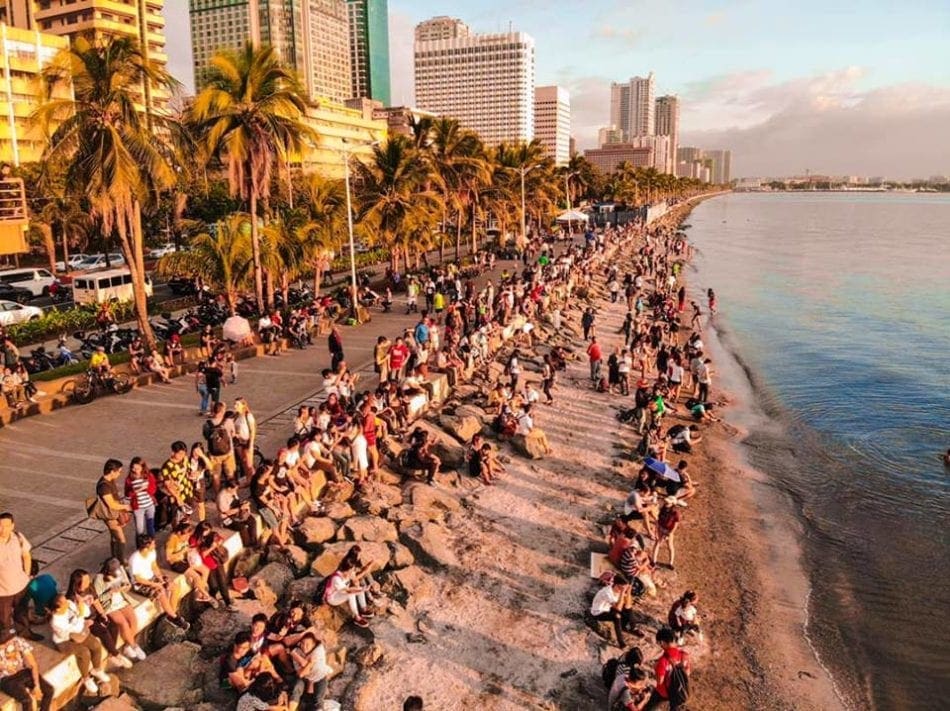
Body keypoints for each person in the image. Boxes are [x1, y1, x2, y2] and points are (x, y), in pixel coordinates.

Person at [64, 569, 133, 670]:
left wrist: (102, 613)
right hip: (86, 621)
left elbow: (96, 601)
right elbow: (76, 616)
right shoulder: (71, 598)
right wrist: (86, 621)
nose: (88, 583)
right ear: (77, 584)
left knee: (113, 626)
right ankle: (116, 654)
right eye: (85, 581)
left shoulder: (90, 587)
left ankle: (111, 654)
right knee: (103, 632)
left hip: (95, 615)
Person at [48, 593, 111, 695]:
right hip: (64, 640)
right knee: (84, 652)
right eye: (64, 603)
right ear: (58, 609)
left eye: (66, 600)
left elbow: (86, 613)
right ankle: (86, 678)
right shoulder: (56, 621)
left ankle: (97, 669)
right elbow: (71, 629)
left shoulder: (69, 604)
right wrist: (81, 616)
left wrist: (81, 605)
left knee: (96, 645)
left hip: (79, 633)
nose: (67, 603)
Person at [127, 536, 189, 630]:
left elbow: (154, 566)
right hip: (140, 584)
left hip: (152, 577)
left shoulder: (152, 552)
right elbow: (138, 579)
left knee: (174, 587)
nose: (155, 545)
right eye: (153, 544)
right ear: (146, 546)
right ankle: (175, 618)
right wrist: (155, 584)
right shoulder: (134, 559)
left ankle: (171, 613)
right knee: (161, 592)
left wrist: (160, 578)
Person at [92, 558, 145, 662]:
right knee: (123, 623)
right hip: (109, 604)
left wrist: (126, 587)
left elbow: (127, 584)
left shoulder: (120, 570)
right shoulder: (99, 579)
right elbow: (98, 598)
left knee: (133, 620)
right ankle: (134, 646)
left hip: (121, 599)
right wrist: (111, 592)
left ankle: (127, 646)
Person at [0, 513, 34, 639]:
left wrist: (27, 574)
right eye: (0, 526)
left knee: (21, 612)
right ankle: (7, 643)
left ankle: (25, 632)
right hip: (3, 591)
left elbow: (26, 555)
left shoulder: (18, 537)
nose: (3, 529)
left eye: (6, 526)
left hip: (20, 586)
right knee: (4, 620)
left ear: (12, 526)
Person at [645, 627, 691, 710]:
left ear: (662, 642)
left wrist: (656, 669)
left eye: (659, 643)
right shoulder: (684, 655)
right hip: (678, 692)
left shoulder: (663, 661)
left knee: (649, 708)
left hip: (663, 692)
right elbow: (687, 673)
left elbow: (660, 681)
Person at [96, 459, 132, 562]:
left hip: (114, 513)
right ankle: (120, 560)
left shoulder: (110, 481)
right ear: (112, 471)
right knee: (120, 538)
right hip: (110, 515)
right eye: (119, 471)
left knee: (114, 537)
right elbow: (111, 504)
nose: (120, 474)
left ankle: (114, 557)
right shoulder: (104, 486)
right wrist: (125, 507)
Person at [323, 556, 374, 628]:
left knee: (358, 586)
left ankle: (363, 609)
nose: (353, 571)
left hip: (340, 591)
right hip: (332, 597)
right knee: (351, 594)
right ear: (346, 569)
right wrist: (362, 589)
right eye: (351, 570)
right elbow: (347, 590)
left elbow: (355, 579)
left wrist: (360, 587)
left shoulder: (348, 573)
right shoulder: (336, 578)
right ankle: (357, 617)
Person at [0, 630, 43, 710]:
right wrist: (5, 667)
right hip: (5, 679)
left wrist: (37, 685)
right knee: (28, 700)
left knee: (31, 699)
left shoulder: (15, 642)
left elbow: (33, 664)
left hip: (18, 674)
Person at [290, 632, 332, 709]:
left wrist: (296, 657)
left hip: (320, 676)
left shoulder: (318, 650)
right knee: (296, 689)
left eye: (307, 644)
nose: (304, 647)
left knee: (318, 698)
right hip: (305, 678)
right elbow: (300, 674)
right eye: (302, 643)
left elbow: (304, 669)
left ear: (313, 644)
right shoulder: (297, 651)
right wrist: (310, 663)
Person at [590, 575, 632, 648]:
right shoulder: (607, 592)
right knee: (617, 616)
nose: (622, 589)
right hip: (598, 612)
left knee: (627, 609)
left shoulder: (617, 591)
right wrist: (622, 592)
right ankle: (621, 642)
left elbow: (628, 605)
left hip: (608, 608)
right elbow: (618, 608)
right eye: (621, 587)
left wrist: (628, 592)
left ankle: (629, 627)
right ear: (616, 585)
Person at [125, 457, 158, 538]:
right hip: (138, 507)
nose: (135, 470)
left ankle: (151, 544)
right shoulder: (129, 479)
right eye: (133, 468)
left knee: (150, 527)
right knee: (140, 530)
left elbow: (153, 489)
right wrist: (136, 491)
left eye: (137, 468)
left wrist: (146, 488)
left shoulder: (148, 476)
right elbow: (127, 494)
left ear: (142, 467)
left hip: (149, 505)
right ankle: (140, 547)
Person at [651, 498, 684, 570]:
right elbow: (658, 519)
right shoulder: (663, 509)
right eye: (666, 502)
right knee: (657, 543)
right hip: (661, 528)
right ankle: (653, 561)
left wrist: (669, 534)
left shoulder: (676, 513)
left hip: (669, 530)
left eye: (668, 503)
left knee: (670, 546)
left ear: (672, 504)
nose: (666, 504)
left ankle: (670, 563)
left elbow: (675, 525)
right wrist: (656, 529)